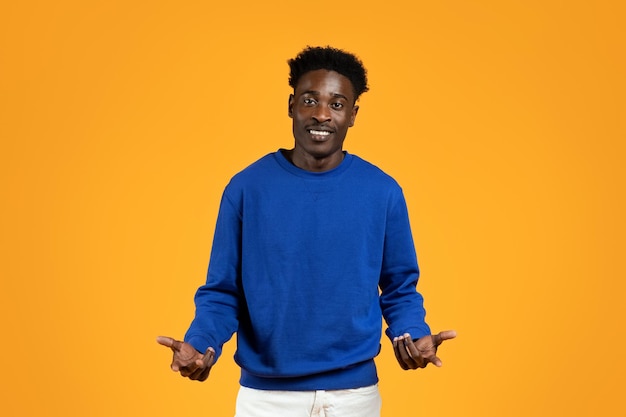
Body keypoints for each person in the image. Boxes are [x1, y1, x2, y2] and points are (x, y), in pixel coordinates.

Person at [157, 45, 456, 417]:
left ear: (352, 115)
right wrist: (202, 343)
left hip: (355, 398)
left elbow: (399, 288)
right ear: (290, 106)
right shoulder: (247, 188)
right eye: (310, 100)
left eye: (336, 104)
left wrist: (410, 332)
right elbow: (223, 291)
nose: (321, 114)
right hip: (266, 401)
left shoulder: (382, 191)